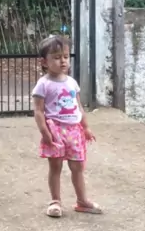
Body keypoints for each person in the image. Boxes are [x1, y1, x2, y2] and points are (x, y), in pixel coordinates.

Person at [32, 34, 102, 218]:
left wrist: (85, 127)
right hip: (55, 130)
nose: (62, 61)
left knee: (77, 167)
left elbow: (78, 106)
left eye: (65, 56)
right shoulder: (43, 84)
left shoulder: (72, 82)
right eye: (56, 57)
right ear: (44, 62)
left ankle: (82, 201)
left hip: (74, 131)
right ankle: (55, 201)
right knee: (55, 167)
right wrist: (44, 132)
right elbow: (38, 111)